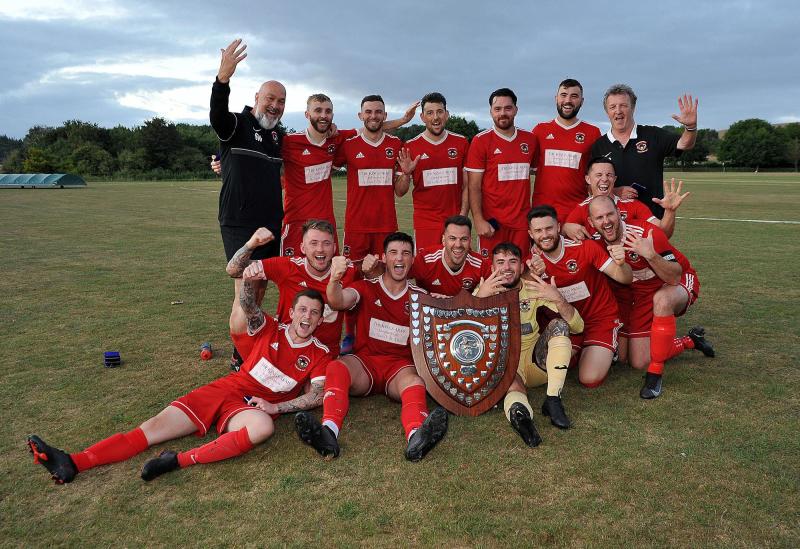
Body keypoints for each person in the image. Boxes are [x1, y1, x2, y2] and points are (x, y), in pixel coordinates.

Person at [27, 287, 334, 484]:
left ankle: (175, 461)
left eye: (314, 313)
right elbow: (245, 302)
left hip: (253, 407)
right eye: (302, 310)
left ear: (321, 320)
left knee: (263, 428)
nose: (307, 317)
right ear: (291, 312)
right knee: (152, 428)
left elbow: (317, 395)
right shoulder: (270, 328)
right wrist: (249, 252)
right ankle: (73, 463)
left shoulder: (319, 353)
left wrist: (276, 406)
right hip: (226, 390)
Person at [295, 232, 449, 461]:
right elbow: (337, 301)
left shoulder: (420, 296)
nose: (400, 259)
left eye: (406, 253)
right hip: (365, 364)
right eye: (394, 253)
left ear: (413, 259)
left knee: (416, 382)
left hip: (399, 368)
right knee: (337, 368)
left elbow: (452, 310)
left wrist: (482, 295)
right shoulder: (365, 288)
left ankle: (417, 437)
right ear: (384, 258)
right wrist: (335, 279)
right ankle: (328, 431)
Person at [212, 95, 418, 258]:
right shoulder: (289, 141)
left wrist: (402, 120)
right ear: (306, 114)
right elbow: (255, 147)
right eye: (318, 110)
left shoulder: (336, 141)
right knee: (292, 277)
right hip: (295, 222)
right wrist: (224, 160)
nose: (323, 115)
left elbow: (372, 126)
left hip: (326, 222)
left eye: (328, 111)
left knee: (328, 279)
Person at [587, 196, 714, 398]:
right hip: (640, 295)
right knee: (631, 360)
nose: (606, 221)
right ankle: (690, 340)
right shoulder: (595, 243)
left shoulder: (646, 232)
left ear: (619, 214)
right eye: (599, 217)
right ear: (591, 222)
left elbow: (674, 275)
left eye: (610, 214)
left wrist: (651, 255)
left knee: (662, 301)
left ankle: (655, 374)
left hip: (675, 281)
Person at [210, 39, 286, 370]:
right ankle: (241, 358)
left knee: (259, 288)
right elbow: (216, 116)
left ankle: (249, 348)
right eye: (270, 98)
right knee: (244, 290)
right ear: (256, 98)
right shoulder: (237, 125)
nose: (275, 105)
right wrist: (222, 79)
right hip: (240, 223)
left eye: (281, 101)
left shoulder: (277, 136)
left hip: (271, 222)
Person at [475, 242, 584, 446]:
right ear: (491, 268)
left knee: (559, 325)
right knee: (512, 385)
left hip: (535, 363)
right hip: (504, 365)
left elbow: (578, 326)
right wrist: (480, 299)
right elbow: (463, 334)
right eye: (500, 262)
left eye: (512, 262)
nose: (506, 267)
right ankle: (522, 421)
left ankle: (553, 399)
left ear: (522, 266)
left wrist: (559, 298)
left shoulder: (534, 288)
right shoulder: (483, 290)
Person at [527, 205, 632, 387]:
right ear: (530, 234)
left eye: (549, 228)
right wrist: (531, 275)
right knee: (543, 367)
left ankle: (608, 347)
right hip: (567, 324)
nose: (544, 234)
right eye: (538, 230)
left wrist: (622, 264)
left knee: (589, 378)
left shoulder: (585, 248)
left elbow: (624, 278)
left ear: (559, 227)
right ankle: (581, 353)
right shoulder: (533, 262)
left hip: (599, 319)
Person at [225, 220, 358, 355]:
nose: (320, 249)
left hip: (323, 352)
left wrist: (372, 268)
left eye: (326, 243)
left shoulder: (347, 271)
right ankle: (251, 363)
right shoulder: (289, 267)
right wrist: (251, 244)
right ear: (302, 248)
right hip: (284, 344)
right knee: (240, 316)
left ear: (334, 248)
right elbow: (233, 270)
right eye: (313, 243)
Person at [590, 84, 698, 218]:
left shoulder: (652, 135)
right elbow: (591, 187)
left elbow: (685, 144)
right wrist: (614, 191)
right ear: (607, 112)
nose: (618, 111)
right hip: (614, 224)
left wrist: (691, 127)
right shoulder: (598, 146)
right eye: (612, 107)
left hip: (653, 219)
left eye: (623, 105)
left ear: (633, 108)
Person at [334, 96, 409, 261]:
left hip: (386, 225)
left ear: (385, 115)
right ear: (360, 116)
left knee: (384, 276)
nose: (373, 116)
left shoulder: (396, 145)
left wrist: (407, 173)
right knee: (352, 275)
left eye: (378, 112)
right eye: (368, 112)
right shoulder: (349, 145)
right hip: (356, 226)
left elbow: (401, 191)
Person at [465, 88, 536, 259]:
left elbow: (538, 173)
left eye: (508, 108)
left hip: (521, 223)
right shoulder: (480, 141)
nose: (502, 113)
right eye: (497, 109)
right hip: (492, 224)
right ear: (490, 112)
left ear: (516, 110)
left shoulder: (530, 140)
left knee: (521, 270)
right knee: (490, 271)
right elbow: (473, 186)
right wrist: (479, 220)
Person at [398, 92, 470, 251]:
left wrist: (462, 216)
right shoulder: (410, 146)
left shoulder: (461, 142)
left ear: (447, 114)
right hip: (426, 222)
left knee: (457, 268)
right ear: (422, 117)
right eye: (430, 113)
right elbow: (400, 192)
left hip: (455, 220)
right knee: (426, 270)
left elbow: (467, 186)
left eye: (439, 111)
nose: (435, 117)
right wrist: (406, 173)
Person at [562, 157, 689, 241]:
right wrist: (566, 228)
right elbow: (563, 236)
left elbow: (663, 234)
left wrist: (670, 212)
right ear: (588, 179)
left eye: (609, 175)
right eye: (599, 175)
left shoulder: (633, 205)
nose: (605, 179)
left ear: (615, 179)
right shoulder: (581, 209)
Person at [530, 79, 602, 224]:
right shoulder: (540, 131)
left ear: (582, 101)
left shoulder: (593, 133)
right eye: (563, 95)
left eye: (574, 96)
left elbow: (598, 174)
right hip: (543, 213)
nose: (568, 100)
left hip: (577, 212)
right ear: (556, 98)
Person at [409, 215, 490, 296]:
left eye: (464, 239)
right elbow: (398, 281)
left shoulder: (479, 264)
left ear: (470, 241)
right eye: (452, 238)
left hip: (462, 307)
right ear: (443, 240)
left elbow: (500, 288)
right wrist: (425, 296)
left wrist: (478, 297)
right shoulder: (425, 260)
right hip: (428, 307)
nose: (458, 245)